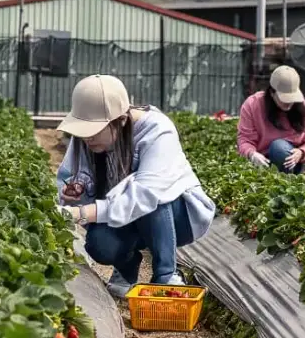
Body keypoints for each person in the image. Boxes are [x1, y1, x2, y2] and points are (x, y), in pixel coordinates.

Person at [54, 74, 215, 299]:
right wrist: (77, 191)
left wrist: (81, 213)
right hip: (125, 217)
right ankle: (127, 266)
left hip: (175, 219)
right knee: (99, 245)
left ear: (120, 120)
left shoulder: (157, 130)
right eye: (82, 131)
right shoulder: (87, 137)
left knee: (156, 198)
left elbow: (145, 193)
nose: (86, 139)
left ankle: (166, 275)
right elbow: (69, 176)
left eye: (92, 131)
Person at [237, 65, 305, 173]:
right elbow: (245, 138)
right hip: (260, 161)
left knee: (279, 148)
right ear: (272, 93)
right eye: (284, 98)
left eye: (292, 98)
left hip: (290, 163)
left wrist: (302, 152)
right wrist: (251, 153)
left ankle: (287, 181)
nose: (289, 103)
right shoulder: (252, 105)